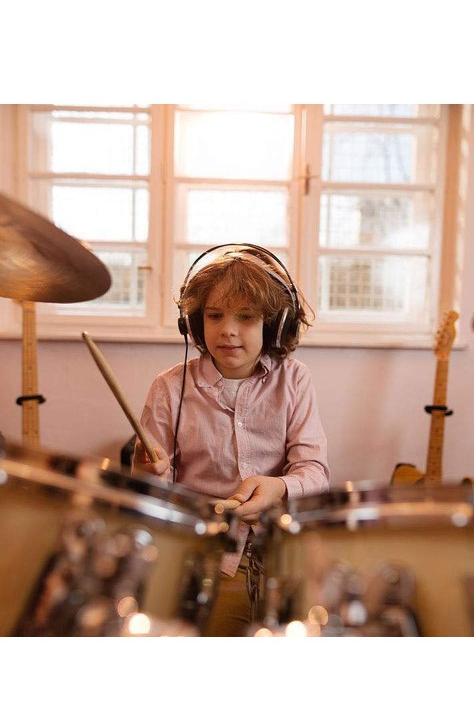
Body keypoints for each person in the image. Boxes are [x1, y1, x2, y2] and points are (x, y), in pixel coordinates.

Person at [132, 245, 330, 636]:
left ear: (274, 324)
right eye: (215, 315)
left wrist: (279, 487)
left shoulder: (295, 379)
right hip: (208, 558)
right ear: (193, 322)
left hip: (284, 552)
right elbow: (154, 497)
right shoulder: (169, 387)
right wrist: (147, 471)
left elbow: (315, 472)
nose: (228, 330)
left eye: (246, 317)